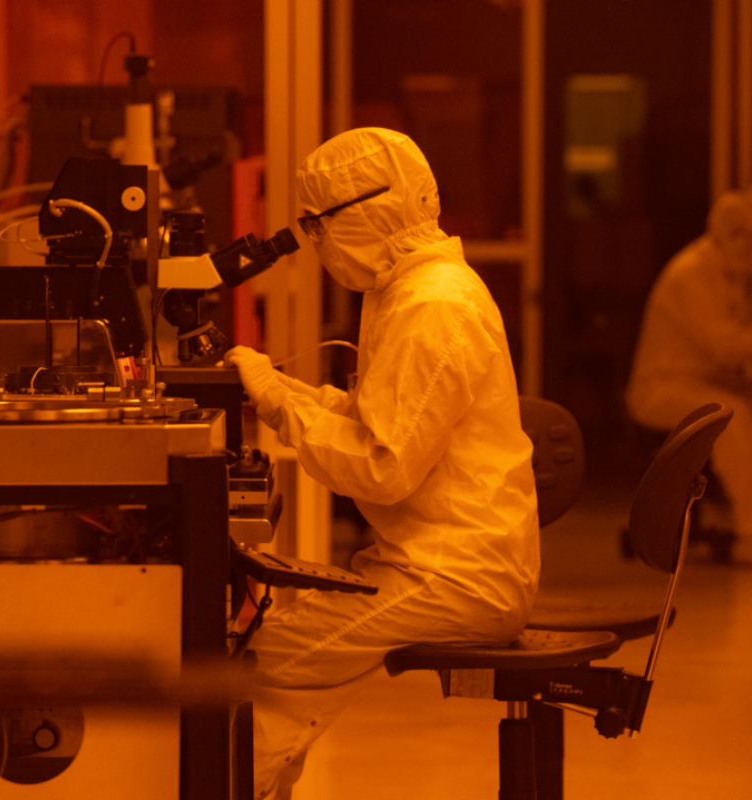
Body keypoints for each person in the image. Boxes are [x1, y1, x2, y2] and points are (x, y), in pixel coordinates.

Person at [224, 127, 539, 800]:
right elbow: (384, 420)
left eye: (317, 226)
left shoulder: (433, 306)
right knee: (284, 642)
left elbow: (383, 466)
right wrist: (293, 394)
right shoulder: (408, 290)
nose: (316, 244)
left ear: (369, 210)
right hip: (434, 562)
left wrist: (282, 405)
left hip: (456, 578)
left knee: (270, 662)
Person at [626, 191, 752, 564]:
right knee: (732, 418)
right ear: (737, 239)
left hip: (705, 382)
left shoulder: (730, 276)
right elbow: (726, 345)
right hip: (663, 388)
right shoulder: (691, 273)